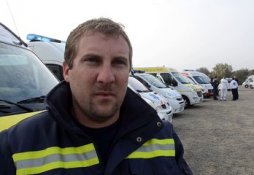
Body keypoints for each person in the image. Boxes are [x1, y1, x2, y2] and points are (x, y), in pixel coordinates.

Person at [0, 18, 192, 175]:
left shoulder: (164, 136)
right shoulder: (14, 147)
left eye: (118, 63)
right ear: (67, 71)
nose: (106, 77)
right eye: (92, 61)